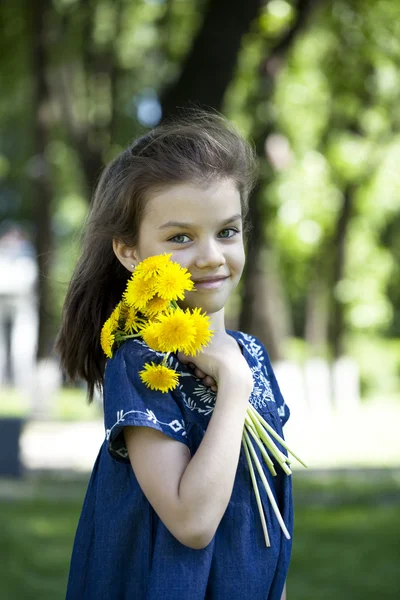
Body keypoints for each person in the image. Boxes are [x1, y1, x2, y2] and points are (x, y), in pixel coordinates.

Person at [56, 111, 292, 600]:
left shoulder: (251, 355)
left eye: (227, 231)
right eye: (180, 237)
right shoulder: (142, 362)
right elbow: (192, 522)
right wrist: (234, 385)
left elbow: (271, 522)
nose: (210, 255)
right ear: (130, 252)